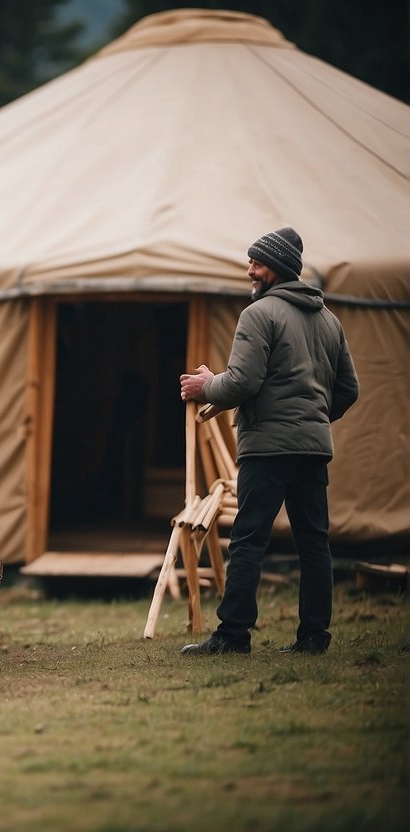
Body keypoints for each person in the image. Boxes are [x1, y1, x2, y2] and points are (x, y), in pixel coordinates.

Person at [180, 227, 359, 657]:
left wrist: (206, 385)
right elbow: (348, 389)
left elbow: (242, 381)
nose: (249, 270)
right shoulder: (329, 320)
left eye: (256, 262)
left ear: (277, 267)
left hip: (268, 447)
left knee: (249, 538)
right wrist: (314, 418)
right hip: (313, 449)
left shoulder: (258, 314)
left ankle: (232, 636)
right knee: (314, 542)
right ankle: (314, 637)